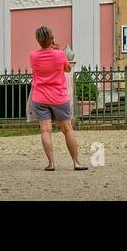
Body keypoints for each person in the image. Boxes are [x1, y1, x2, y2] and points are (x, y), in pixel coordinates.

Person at [29, 26, 86, 171]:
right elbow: (67, 69)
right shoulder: (60, 55)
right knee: (67, 129)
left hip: (40, 97)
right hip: (59, 97)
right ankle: (76, 162)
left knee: (45, 131)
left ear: (38, 40)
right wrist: (56, 50)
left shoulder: (33, 56)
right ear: (52, 38)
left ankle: (51, 163)